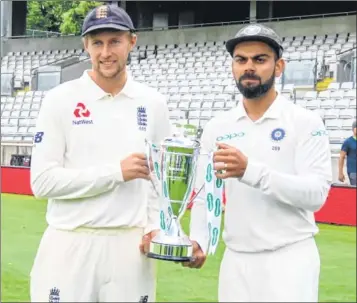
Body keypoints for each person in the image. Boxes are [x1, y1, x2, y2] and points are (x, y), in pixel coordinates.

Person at [30, 4, 171, 302]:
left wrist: (155, 226)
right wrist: (115, 172)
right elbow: (42, 182)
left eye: (114, 41)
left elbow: (160, 180)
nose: (106, 52)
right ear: (86, 46)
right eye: (97, 43)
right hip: (71, 242)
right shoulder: (60, 100)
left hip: (129, 248)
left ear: (132, 42)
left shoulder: (153, 103)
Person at [185, 24, 332, 302]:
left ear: (279, 67)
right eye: (241, 60)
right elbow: (206, 194)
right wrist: (200, 240)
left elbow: (315, 195)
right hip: (236, 260)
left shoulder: (304, 123)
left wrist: (250, 171)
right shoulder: (218, 126)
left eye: (260, 59)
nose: (248, 67)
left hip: (289, 258)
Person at [338, 120, 357, 186]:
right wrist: (340, 172)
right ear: (353, 129)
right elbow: (341, 157)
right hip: (353, 172)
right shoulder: (348, 142)